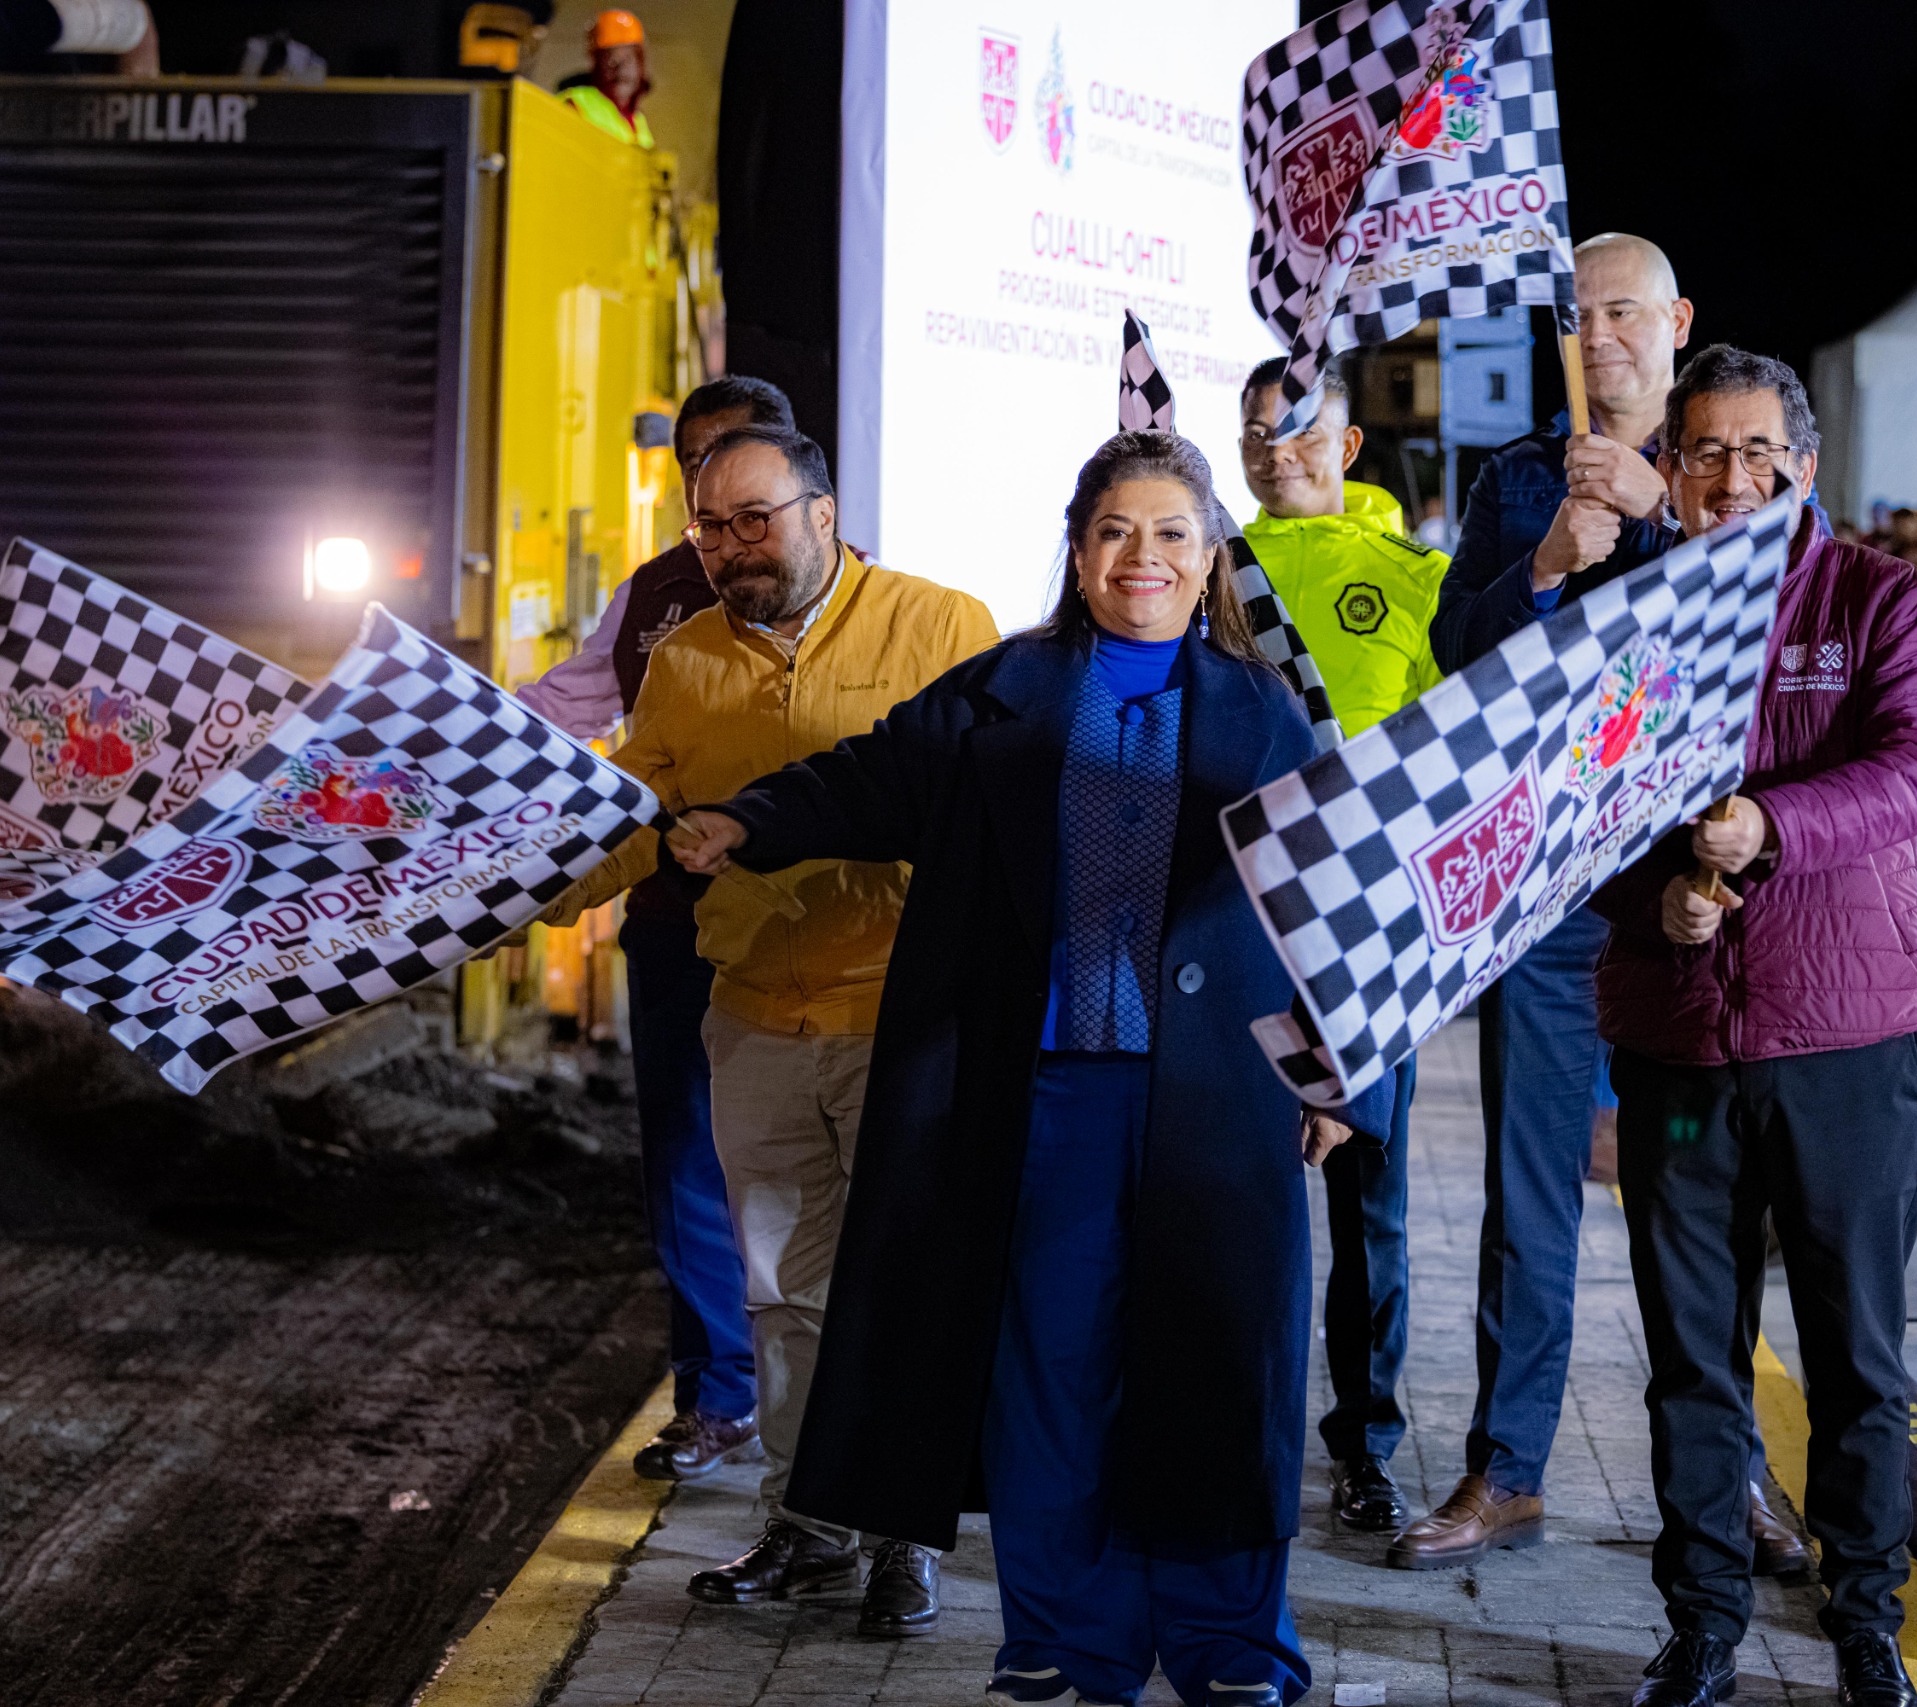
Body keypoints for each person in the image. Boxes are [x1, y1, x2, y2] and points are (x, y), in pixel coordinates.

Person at [672, 431, 1396, 1707]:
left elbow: (1346, 900)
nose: (1140, 557)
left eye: (1169, 533)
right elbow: (866, 776)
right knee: (1050, 1380)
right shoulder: (999, 693)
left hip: (1218, 1107)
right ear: (1077, 549)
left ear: (1209, 557)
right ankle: (1068, 1642)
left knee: (1221, 1373)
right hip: (1041, 1102)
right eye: (1114, 530)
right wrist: (750, 821)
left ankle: (1231, 1649)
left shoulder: (1267, 713)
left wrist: (1347, 1078)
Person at [540, 425, 999, 1632]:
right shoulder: (686, 659)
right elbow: (629, 817)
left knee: (906, 1287)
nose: (731, 547)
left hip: (905, 1019)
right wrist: (510, 894)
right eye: (709, 528)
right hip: (752, 1019)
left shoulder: (941, 625)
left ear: (822, 513)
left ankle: (906, 1542)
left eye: (755, 519)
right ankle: (809, 1527)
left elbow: (993, 808)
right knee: (784, 1292)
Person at [1413, 237, 1807, 1583]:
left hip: (1690, 899)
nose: (1599, 334)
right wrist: (1541, 563)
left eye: (1625, 310)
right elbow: (1453, 654)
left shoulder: (1732, 459)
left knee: (1694, 1197)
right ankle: (1508, 1466)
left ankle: (1727, 1473)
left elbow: (1779, 631)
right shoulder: (1520, 477)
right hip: (1550, 898)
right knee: (1527, 1196)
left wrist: (1663, 517)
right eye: (1575, 314)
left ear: (1677, 319)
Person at [1593, 346, 1917, 1707]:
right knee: (1691, 1357)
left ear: (1804, 466)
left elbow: (1916, 767)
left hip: (1847, 1039)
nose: (1733, 477)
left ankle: (1866, 1618)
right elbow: (1571, 810)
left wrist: (1768, 826)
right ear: (1670, 469)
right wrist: (1653, 899)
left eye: (1759, 452)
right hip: (1678, 1043)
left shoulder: (1883, 598)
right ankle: (1702, 1624)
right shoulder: (1624, 615)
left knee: (1856, 1355)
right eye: (1706, 452)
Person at [519, 376, 796, 1488]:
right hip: (676, 921)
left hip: (813, 937)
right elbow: (559, 713)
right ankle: (717, 1396)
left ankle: (825, 1410)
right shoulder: (654, 598)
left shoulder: (864, 596)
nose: (713, 483)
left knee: (812, 1167)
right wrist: (425, 733)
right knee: (686, 1155)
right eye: (695, 464)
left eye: (737, 456)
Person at [1236, 354, 1443, 1536]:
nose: (1277, 452)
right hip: (1233, 930)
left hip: (1370, 937)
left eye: (1301, 430)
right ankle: (1237, 1428)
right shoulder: (1213, 569)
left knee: (1369, 1207)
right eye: (1257, 433)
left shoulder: (1415, 578)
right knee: (1230, 1189)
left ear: (1350, 445)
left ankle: (1365, 1445)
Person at [561, 9, 656, 147]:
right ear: (596, 64)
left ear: (640, 64)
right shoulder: (575, 104)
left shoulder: (638, 121)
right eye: (611, 59)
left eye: (629, 58)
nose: (621, 69)